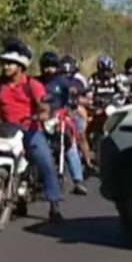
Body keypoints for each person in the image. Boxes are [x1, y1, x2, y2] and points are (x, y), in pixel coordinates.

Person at [0, 39, 64, 223]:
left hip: (29, 129)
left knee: (45, 163)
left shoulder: (32, 84)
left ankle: (54, 205)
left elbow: (43, 103)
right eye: (4, 63)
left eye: (10, 63)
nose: (6, 67)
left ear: (20, 67)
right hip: (5, 128)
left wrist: (43, 114)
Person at [38, 51, 88, 195]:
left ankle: (78, 180)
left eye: (52, 66)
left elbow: (75, 87)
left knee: (69, 145)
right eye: (46, 66)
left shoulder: (61, 81)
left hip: (60, 117)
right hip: (41, 118)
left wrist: (75, 91)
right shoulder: (36, 82)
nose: (49, 69)